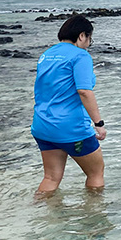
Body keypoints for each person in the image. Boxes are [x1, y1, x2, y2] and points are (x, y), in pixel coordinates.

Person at [31, 14, 107, 196]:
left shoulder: (47, 55)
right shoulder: (81, 56)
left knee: (51, 178)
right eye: (90, 38)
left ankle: (40, 216)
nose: (89, 43)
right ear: (82, 35)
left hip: (43, 125)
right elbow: (84, 92)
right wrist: (99, 124)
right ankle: (94, 219)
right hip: (71, 128)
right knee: (96, 173)